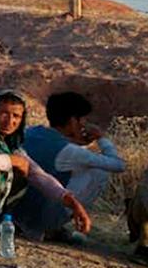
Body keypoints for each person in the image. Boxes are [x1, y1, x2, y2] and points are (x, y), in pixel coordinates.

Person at [0, 91, 92, 263]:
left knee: (22, 176)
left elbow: (39, 176)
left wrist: (72, 202)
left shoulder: (10, 143)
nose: (10, 121)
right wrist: (12, 160)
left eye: (16, 116)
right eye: (4, 113)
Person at [16, 91, 125, 242]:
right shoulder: (68, 151)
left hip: (16, 211)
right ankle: (50, 227)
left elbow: (54, 150)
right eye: (83, 119)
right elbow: (118, 165)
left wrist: (77, 142)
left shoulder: (31, 131)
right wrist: (102, 139)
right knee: (99, 171)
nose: (84, 124)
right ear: (74, 120)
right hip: (37, 218)